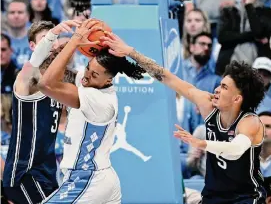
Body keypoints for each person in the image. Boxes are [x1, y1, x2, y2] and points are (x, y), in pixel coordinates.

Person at [102, 32, 267, 203]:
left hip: (245, 198)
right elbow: (165, 76)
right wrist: (130, 52)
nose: (217, 89)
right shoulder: (208, 103)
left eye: (224, 87)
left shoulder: (250, 122)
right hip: (213, 196)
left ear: (237, 98)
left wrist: (201, 143)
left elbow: (235, 150)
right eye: (219, 85)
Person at [38, 19, 146, 204]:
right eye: (88, 68)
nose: (86, 75)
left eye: (94, 74)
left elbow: (46, 84)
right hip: (99, 177)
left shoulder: (99, 100)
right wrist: (92, 42)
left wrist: (75, 41)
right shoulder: (91, 81)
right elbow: (53, 71)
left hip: (87, 179)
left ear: (108, 81)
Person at [3, 19, 81, 204]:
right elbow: (35, 60)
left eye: (55, 39)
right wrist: (54, 34)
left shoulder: (63, 80)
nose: (53, 44)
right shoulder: (26, 78)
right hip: (24, 173)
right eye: (46, 39)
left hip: (48, 173)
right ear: (32, 45)